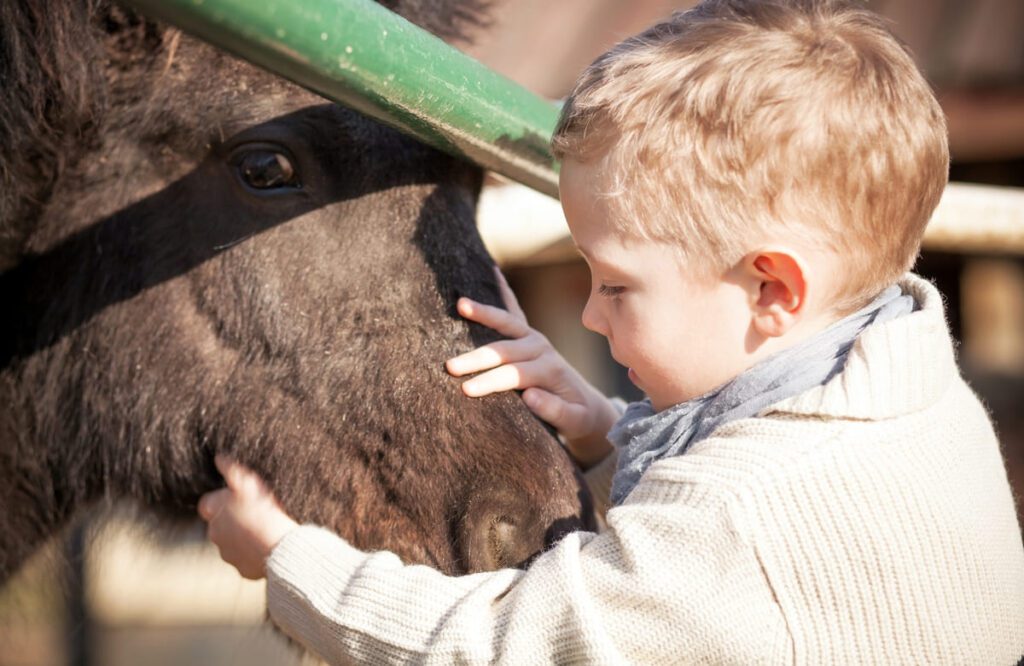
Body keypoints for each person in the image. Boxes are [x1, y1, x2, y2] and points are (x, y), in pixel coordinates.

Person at [197, 0, 1024, 662]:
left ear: (771, 286)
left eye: (618, 285)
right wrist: (607, 430)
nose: (589, 315)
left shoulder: (740, 529)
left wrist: (287, 561)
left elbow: (493, 647)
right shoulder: (913, 395)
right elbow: (760, 474)